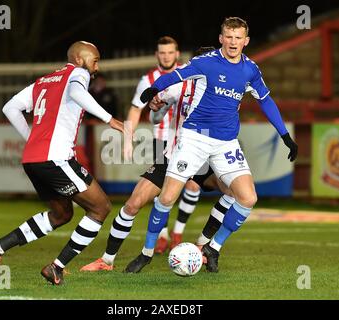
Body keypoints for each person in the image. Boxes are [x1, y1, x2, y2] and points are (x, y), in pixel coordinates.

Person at [125, 17, 298, 273]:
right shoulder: (205, 62)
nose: (233, 42)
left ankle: (213, 247)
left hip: (226, 143)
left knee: (248, 198)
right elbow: (176, 75)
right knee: (167, 197)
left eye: (238, 37)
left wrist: (284, 135)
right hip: (194, 138)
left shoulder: (250, 69)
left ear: (246, 41)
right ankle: (147, 253)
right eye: (229, 36)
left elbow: (266, 101)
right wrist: (153, 89)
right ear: (221, 38)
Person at [0, 41, 124, 285]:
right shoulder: (78, 73)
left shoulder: (44, 81)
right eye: (95, 60)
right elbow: (76, 93)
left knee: (62, 214)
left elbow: (10, 107)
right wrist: (109, 119)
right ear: (79, 59)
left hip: (33, 159)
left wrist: (31, 138)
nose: (97, 66)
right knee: (100, 208)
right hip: (56, 158)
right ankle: (56, 267)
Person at [79, 46, 235, 272]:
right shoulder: (181, 84)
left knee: (233, 193)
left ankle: (205, 246)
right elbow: (156, 115)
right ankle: (107, 260)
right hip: (174, 155)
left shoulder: (225, 89)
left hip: (205, 158)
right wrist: (157, 107)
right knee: (133, 203)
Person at [124, 36, 202, 254]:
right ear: (157, 55)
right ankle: (163, 235)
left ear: (177, 54)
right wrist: (127, 139)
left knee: (193, 185)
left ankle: (178, 232)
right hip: (163, 139)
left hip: (192, 139)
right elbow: (135, 108)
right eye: (162, 53)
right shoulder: (148, 79)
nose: (166, 56)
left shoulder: (190, 73)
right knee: (163, 189)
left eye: (170, 52)